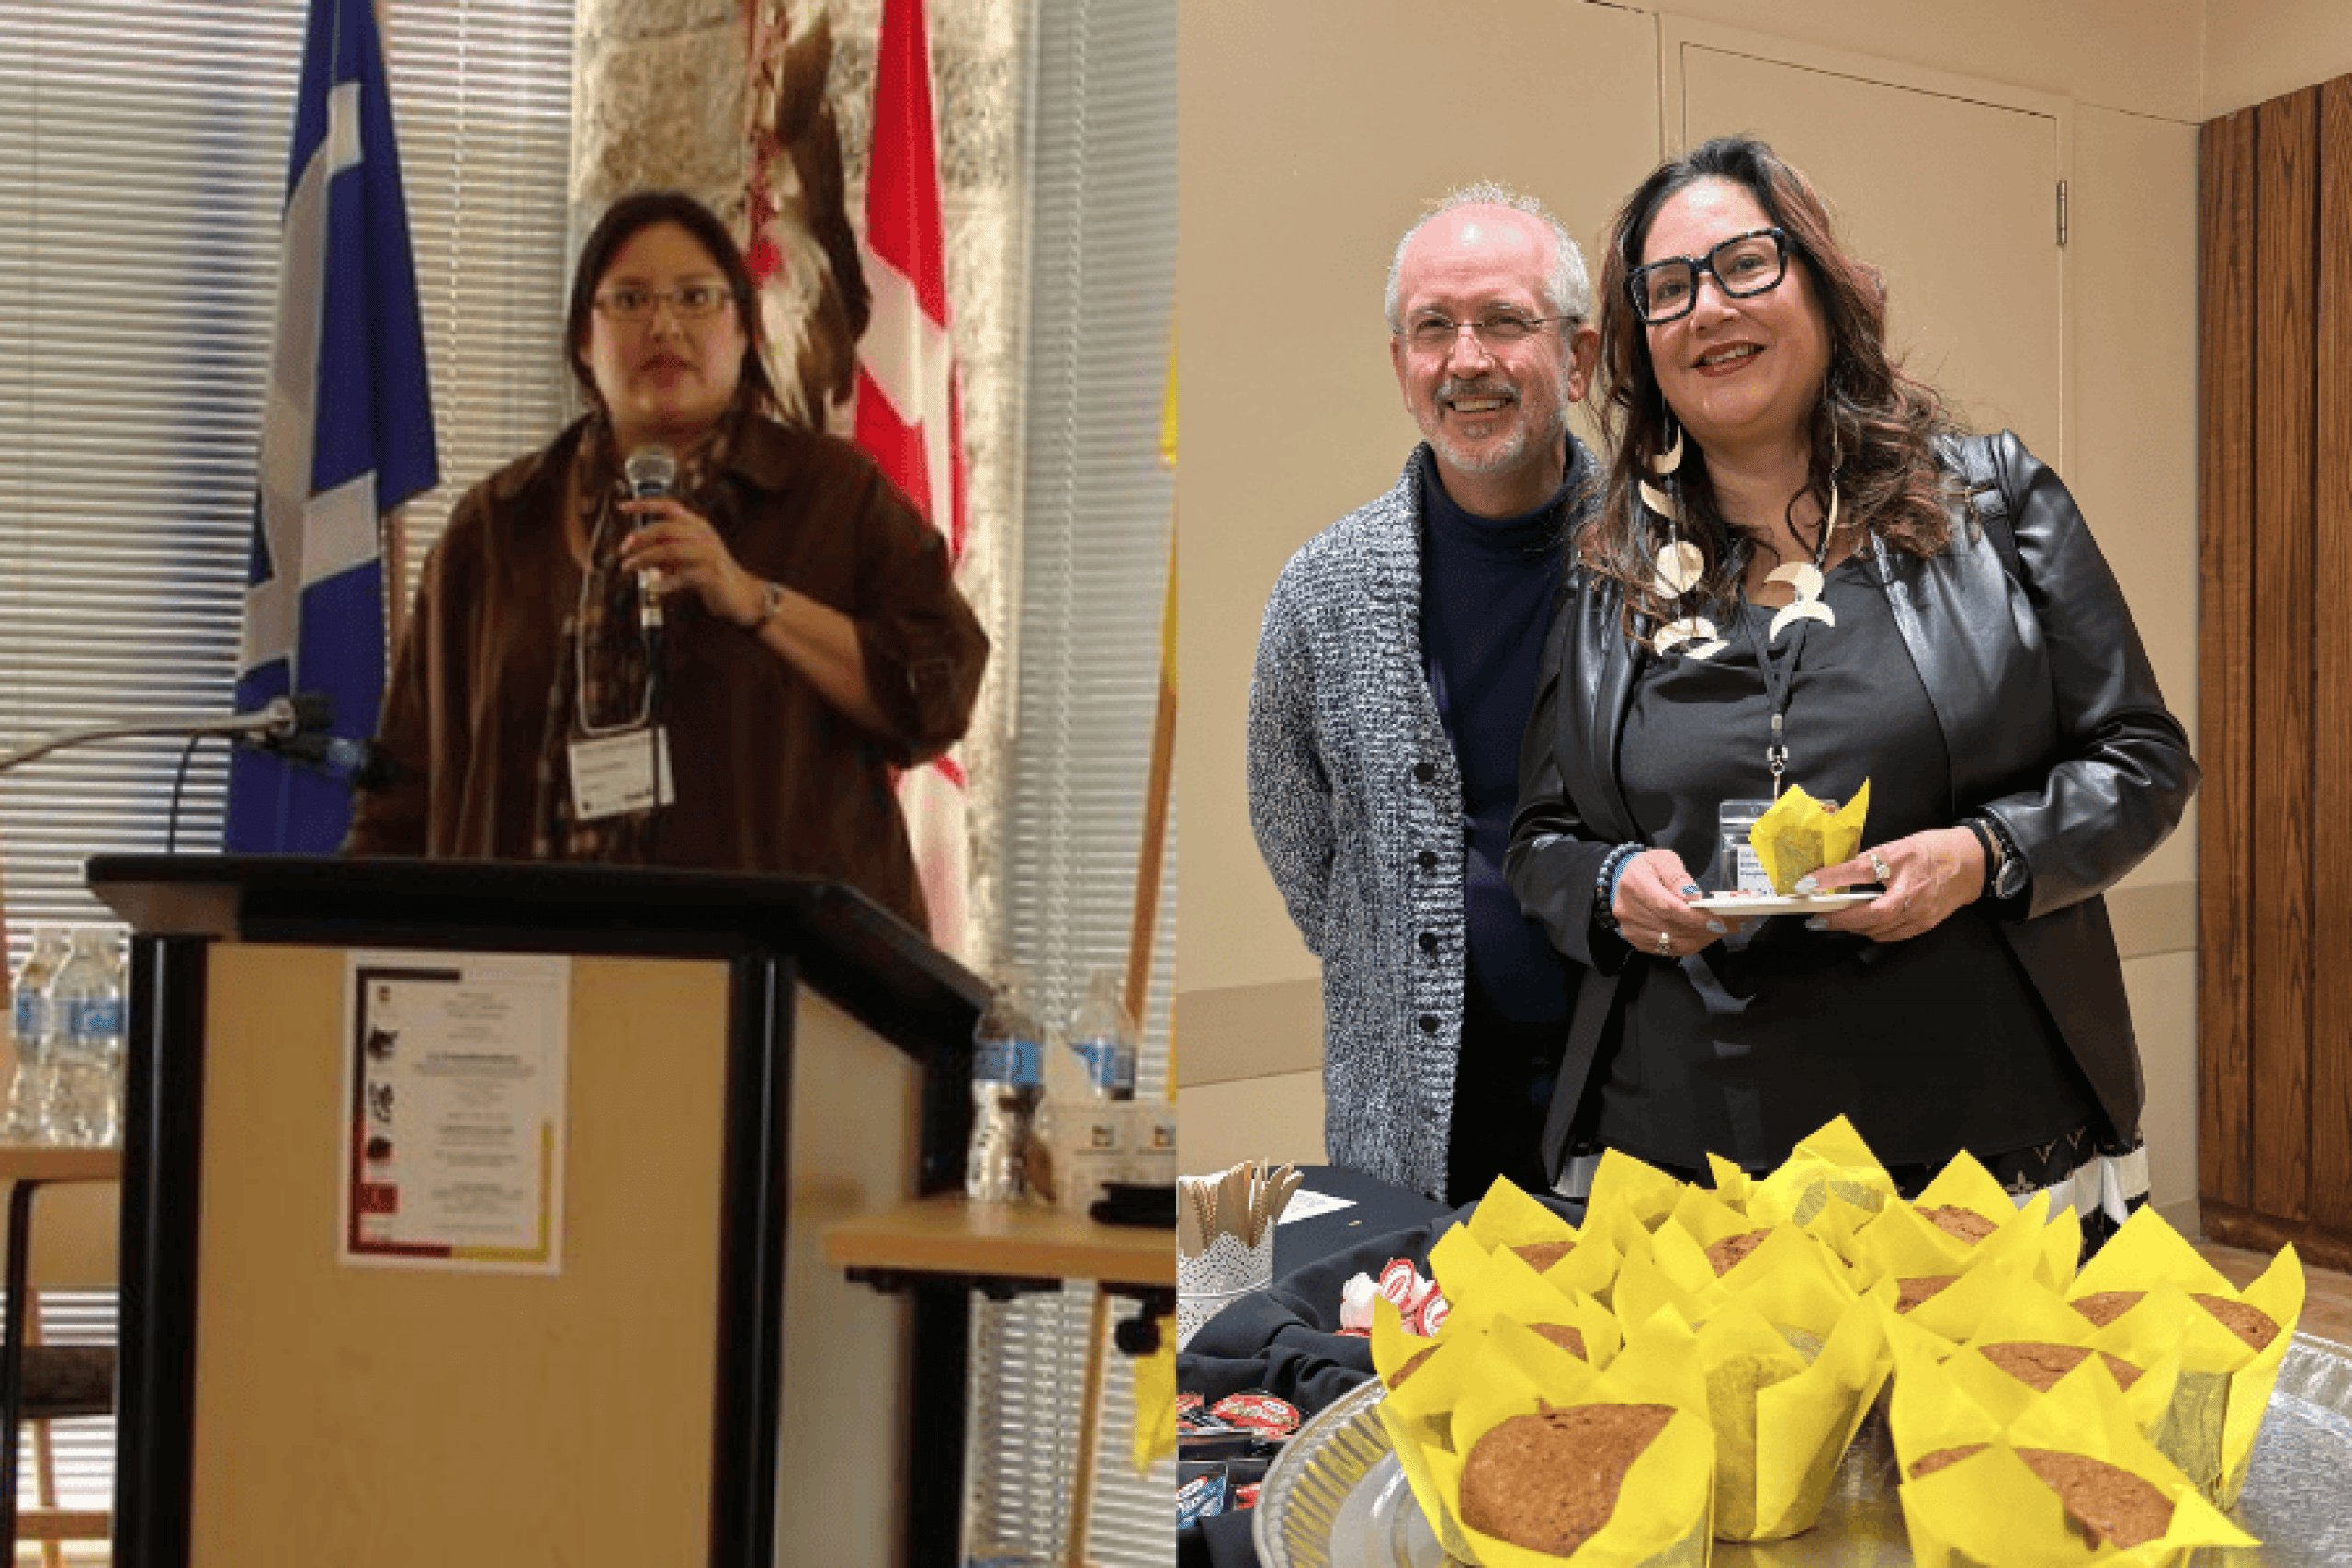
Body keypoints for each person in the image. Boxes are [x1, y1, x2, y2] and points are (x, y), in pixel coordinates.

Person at [1504, 136, 2194, 1250]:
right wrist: (1612, 881)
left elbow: (2142, 759)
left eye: (1745, 265)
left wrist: (1981, 857)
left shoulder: (1993, 504)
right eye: (1666, 289)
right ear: (1641, 346)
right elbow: (1541, 837)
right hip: (1686, 1157)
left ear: (1824, 290)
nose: (1707, 309)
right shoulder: (1608, 573)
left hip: (1981, 1144)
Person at [345, 190, 987, 931]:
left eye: (695, 297)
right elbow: (403, 790)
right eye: (630, 300)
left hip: (762, 981)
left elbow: (937, 691)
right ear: (585, 340)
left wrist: (755, 601)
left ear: (745, 330)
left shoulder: (832, 498)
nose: (664, 325)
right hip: (519, 987)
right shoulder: (495, 527)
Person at [1247, 184, 1601, 1205]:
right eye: (1431, 329)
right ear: (1401, 367)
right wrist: (1387, 948)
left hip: (1634, 1080)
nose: (1466, 360)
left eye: (1503, 322)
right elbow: (1289, 815)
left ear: (1575, 357)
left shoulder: (1660, 554)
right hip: (1415, 1104)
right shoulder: (1326, 586)